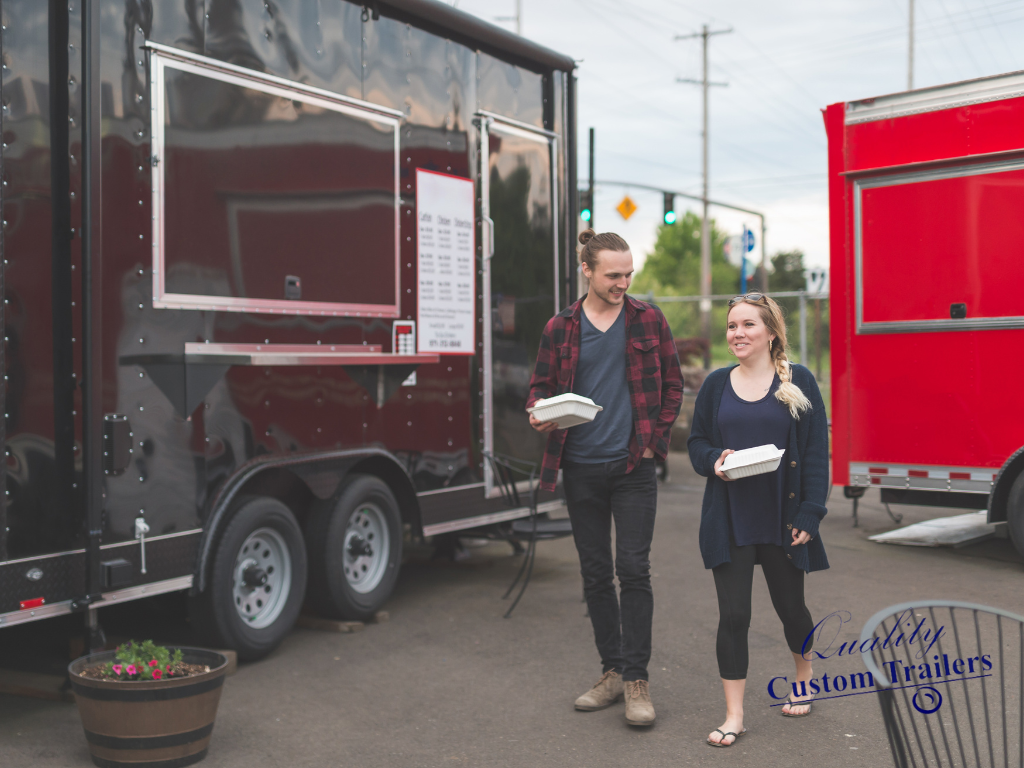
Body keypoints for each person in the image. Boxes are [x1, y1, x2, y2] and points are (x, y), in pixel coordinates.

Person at [526, 229, 683, 727]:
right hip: (580, 468)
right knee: (595, 575)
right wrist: (539, 413)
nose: (623, 282)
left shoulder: (648, 319)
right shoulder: (560, 327)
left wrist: (655, 445)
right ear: (587, 272)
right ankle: (611, 672)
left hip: (632, 467)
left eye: (628, 273)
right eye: (613, 274)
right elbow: (539, 389)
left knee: (633, 571)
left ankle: (638, 680)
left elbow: (673, 384)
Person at [687, 293, 829, 747]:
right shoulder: (715, 385)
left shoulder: (799, 379)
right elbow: (696, 445)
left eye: (748, 325)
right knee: (734, 615)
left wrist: (811, 511)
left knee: (791, 609)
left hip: (783, 517)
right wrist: (715, 460)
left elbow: (813, 455)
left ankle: (804, 676)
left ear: (771, 333)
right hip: (729, 517)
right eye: (732, 326)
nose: (738, 334)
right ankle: (734, 715)